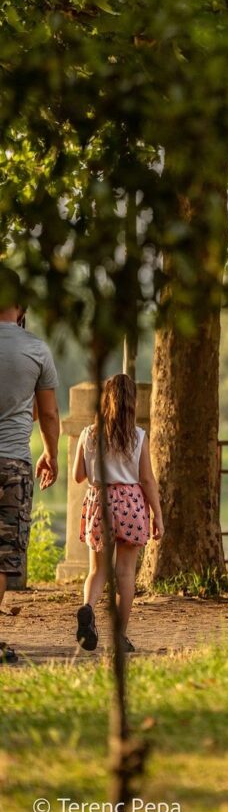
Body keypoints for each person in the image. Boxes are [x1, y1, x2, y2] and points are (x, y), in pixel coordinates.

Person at [72, 374, 164, 653]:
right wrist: (157, 515)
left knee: (98, 570)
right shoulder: (138, 436)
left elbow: (78, 476)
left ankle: (88, 608)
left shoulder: (89, 434)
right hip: (132, 505)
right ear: (132, 403)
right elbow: (147, 480)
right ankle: (119, 637)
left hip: (99, 500)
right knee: (125, 574)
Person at [0, 267, 60, 665]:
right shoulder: (36, 349)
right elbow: (50, 415)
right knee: (3, 555)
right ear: (20, 305)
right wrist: (52, 454)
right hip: (13, 465)